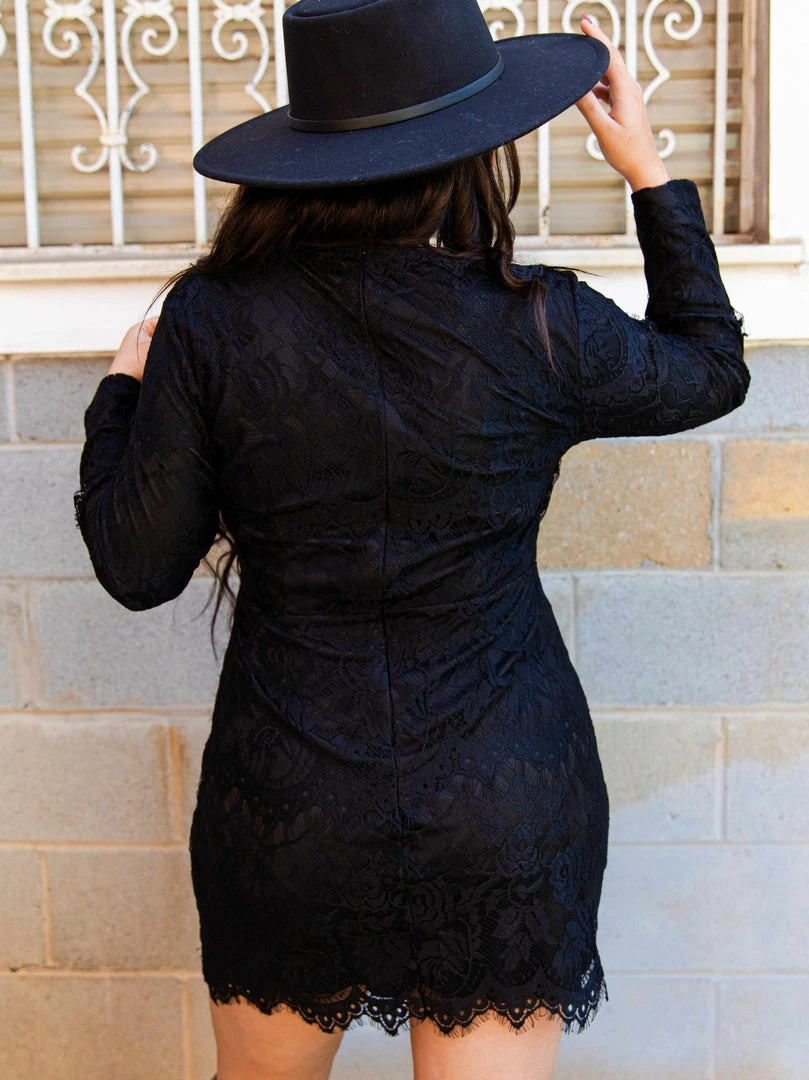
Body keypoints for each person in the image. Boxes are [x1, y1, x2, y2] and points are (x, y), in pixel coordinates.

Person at [73, 1, 750, 1078]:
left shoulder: (211, 320)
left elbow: (137, 566)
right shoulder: (538, 320)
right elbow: (709, 366)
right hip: (502, 787)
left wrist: (119, 396)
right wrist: (647, 173)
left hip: (290, 801)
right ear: (470, 152)